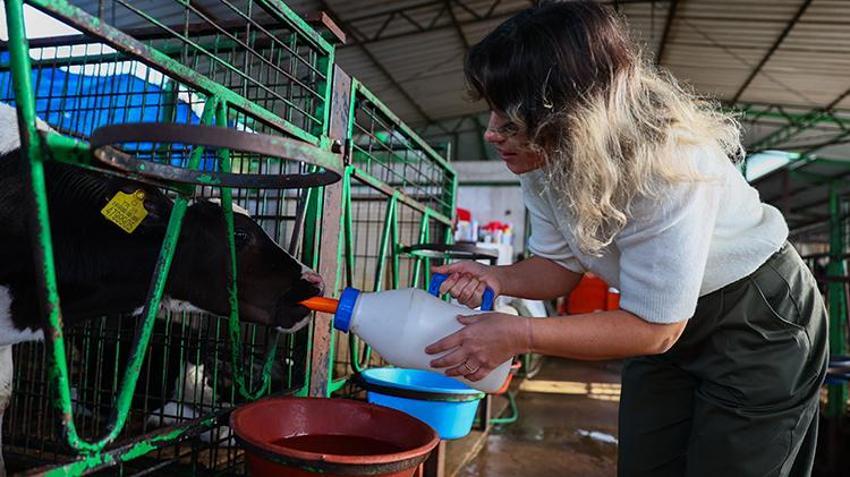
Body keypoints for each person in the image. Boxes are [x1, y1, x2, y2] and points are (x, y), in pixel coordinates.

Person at [425, 2, 828, 476]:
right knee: (646, 461)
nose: (493, 134)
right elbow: (558, 269)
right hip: (661, 321)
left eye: (511, 120)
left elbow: (655, 329)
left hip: (754, 315)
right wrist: (497, 277)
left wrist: (520, 334)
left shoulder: (668, 162)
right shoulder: (544, 159)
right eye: (494, 113)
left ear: (574, 116)